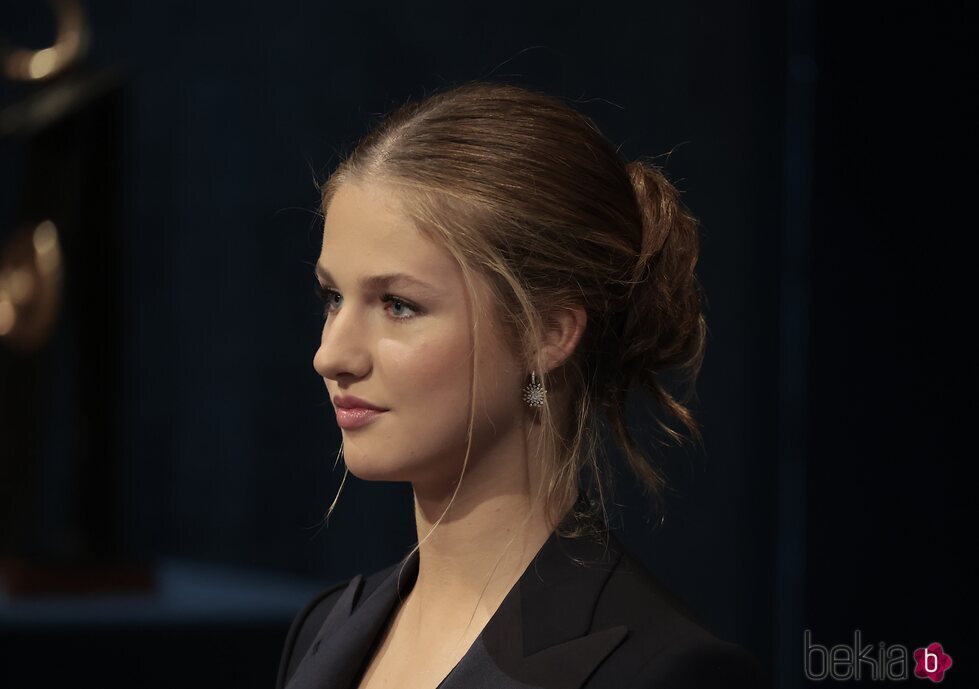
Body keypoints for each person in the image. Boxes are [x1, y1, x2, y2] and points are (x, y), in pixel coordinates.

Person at [276, 82, 769, 689]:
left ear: (548, 333)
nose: (331, 355)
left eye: (398, 305)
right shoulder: (323, 629)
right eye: (333, 297)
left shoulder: (664, 673)